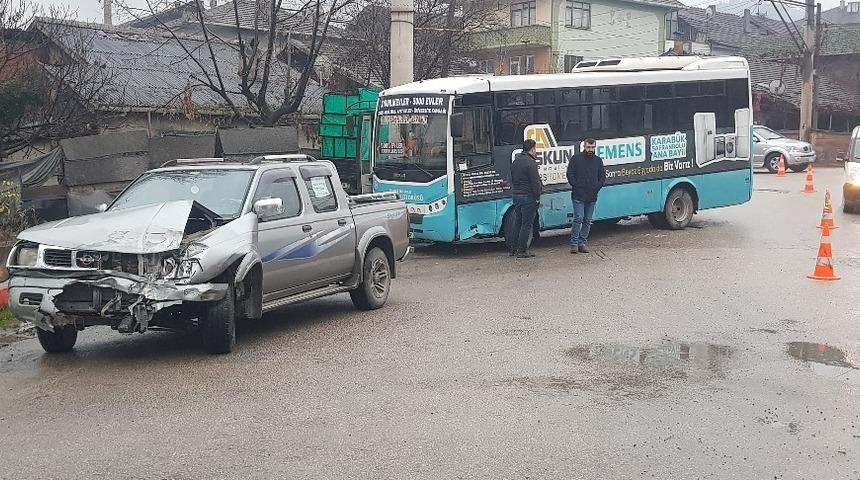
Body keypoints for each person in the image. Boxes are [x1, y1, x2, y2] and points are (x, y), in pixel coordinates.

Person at [566, 138, 606, 254]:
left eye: (593, 147)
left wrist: (597, 186)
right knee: (578, 218)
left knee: (587, 220)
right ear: (584, 147)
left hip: (592, 196)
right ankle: (574, 244)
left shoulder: (598, 161)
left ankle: (582, 243)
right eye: (588, 147)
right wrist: (576, 185)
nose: (590, 150)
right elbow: (570, 174)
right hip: (578, 195)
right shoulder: (576, 159)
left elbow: (602, 176)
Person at [509, 139, 542, 258]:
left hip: (516, 196)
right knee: (526, 224)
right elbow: (535, 183)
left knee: (517, 222)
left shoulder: (516, 161)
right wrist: (537, 197)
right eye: (535, 149)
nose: (536, 152)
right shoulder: (531, 162)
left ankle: (513, 249)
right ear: (532, 149)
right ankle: (522, 250)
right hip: (528, 196)